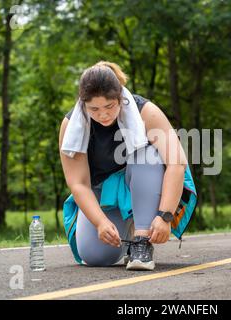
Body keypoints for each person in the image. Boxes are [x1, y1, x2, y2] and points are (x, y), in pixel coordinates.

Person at [59, 61, 189, 271]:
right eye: (94, 109)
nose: (103, 115)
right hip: (104, 191)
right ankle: (126, 229)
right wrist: (100, 222)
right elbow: (78, 184)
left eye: (109, 106)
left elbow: (176, 163)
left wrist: (165, 216)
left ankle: (141, 239)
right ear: (83, 104)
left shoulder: (145, 111)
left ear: (120, 97)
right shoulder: (70, 125)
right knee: (95, 256)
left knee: (146, 155)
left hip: (144, 180)